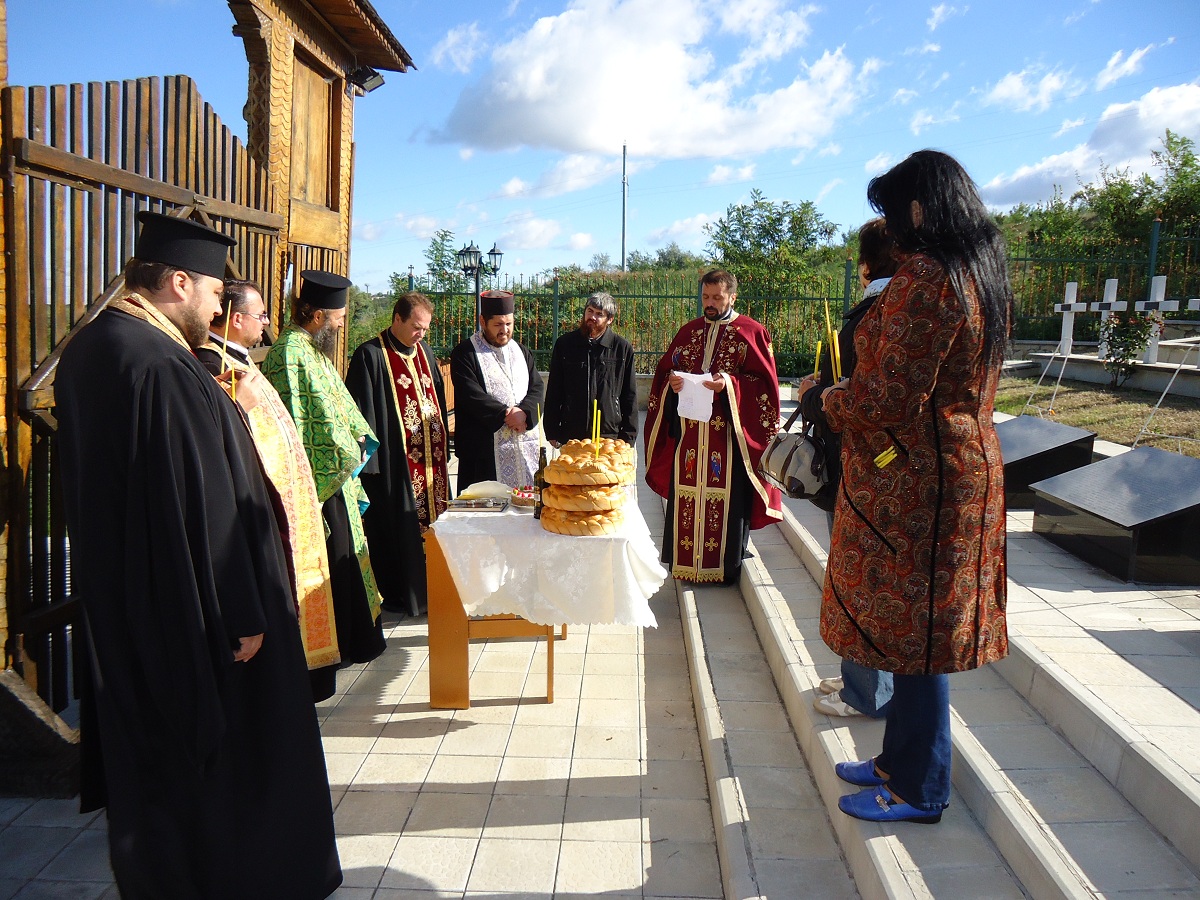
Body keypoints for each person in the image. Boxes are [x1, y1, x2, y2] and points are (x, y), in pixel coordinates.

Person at [55, 211, 341, 897]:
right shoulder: (161, 366)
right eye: (214, 291)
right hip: (197, 612)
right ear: (177, 281)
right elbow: (207, 505)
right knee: (230, 760)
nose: (220, 306)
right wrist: (241, 612)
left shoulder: (96, 348)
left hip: (136, 602)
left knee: (153, 761)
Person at [820, 150, 1010, 825]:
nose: (889, 229)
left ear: (920, 209)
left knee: (918, 638)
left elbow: (886, 397)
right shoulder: (979, 272)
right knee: (913, 633)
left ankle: (919, 788)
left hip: (919, 485)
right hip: (957, 471)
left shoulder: (927, 278)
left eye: (891, 213)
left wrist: (832, 400)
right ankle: (896, 762)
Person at [198, 280, 342, 701]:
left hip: (287, 500)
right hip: (255, 507)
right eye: (261, 315)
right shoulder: (213, 366)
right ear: (237, 318)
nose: (266, 323)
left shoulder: (240, 359)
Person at [260, 270, 386, 683]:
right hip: (321, 478)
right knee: (332, 561)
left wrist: (355, 441)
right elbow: (299, 421)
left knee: (348, 561)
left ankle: (353, 640)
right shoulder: (289, 354)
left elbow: (340, 407)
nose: (341, 324)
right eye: (338, 317)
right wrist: (345, 453)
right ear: (316, 316)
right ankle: (336, 648)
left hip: (338, 474)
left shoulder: (312, 351)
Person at [800, 219, 898, 720]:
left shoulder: (874, 315)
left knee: (862, 578)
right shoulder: (894, 310)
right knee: (864, 576)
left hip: (866, 464)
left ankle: (869, 690)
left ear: (864, 266)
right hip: (886, 464)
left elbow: (861, 398)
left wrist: (816, 396)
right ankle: (865, 676)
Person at [644, 269, 783, 584]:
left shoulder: (751, 332)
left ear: (732, 297)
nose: (710, 304)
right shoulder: (688, 332)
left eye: (717, 298)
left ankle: (723, 568)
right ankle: (684, 564)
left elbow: (766, 387)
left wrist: (730, 384)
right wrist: (673, 382)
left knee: (728, 501)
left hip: (728, 440)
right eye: (705, 297)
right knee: (687, 496)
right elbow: (666, 371)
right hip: (690, 437)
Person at [345, 291, 450, 618]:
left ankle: (437, 587)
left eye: (426, 329)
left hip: (431, 466)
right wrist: (370, 468)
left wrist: (444, 441)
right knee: (399, 531)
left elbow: (438, 403)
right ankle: (405, 596)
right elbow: (360, 414)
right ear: (397, 319)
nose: (421, 334)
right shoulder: (371, 355)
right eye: (417, 327)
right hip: (395, 467)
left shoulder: (424, 352)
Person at [449, 288, 546, 490]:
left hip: (522, 445)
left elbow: (537, 387)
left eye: (509, 324)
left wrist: (524, 413)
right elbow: (470, 395)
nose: (505, 330)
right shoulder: (465, 353)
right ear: (483, 322)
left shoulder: (521, 351)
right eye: (498, 324)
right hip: (484, 450)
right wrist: (504, 414)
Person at [543, 291, 638, 447]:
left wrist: (628, 436)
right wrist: (552, 430)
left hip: (609, 436)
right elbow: (554, 389)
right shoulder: (565, 344)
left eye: (599, 314)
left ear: (610, 320)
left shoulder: (622, 348)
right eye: (590, 311)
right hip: (572, 433)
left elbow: (630, 394)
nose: (592, 317)